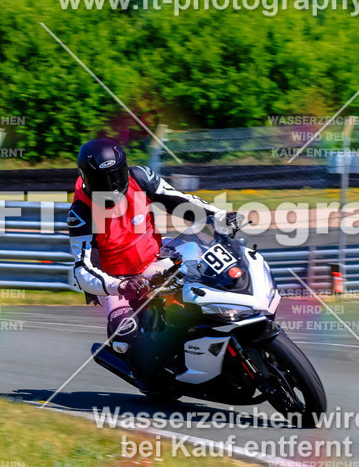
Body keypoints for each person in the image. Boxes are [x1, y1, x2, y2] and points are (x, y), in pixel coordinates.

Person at [67, 138, 239, 354]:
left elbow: (180, 202)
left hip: (157, 257)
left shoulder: (141, 177)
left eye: (116, 177)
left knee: (214, 285)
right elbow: (82, 269)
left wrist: (220, 216)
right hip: (119, 282)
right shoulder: (80, 212)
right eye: (102, 181)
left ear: (125, 169)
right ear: (85, 178)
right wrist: (118, 286)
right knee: (125, 341)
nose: (111, 187)